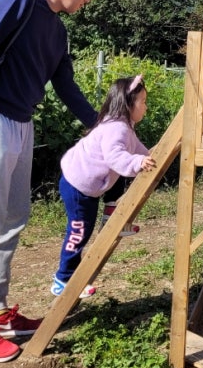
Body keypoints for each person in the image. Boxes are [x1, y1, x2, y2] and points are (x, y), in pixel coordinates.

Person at [0, 0, 102, 363]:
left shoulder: (57, 31)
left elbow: (65, 85)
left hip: (22, 123)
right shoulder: (20, 1)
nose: (87, 1)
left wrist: (99, 124)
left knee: (12, 219)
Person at [51, 74, 156, 297]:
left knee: (125, 168)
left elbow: (135, 147)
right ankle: (63, 278)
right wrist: (138, 162)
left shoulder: (125, 126)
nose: (146, 107)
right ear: (128, 104)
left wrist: (147, 156)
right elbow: (115, 157)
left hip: (90, 185)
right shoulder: (116, 128)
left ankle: (111, 213)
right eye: (143, 102)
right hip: (77, 184)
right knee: (80, 230)